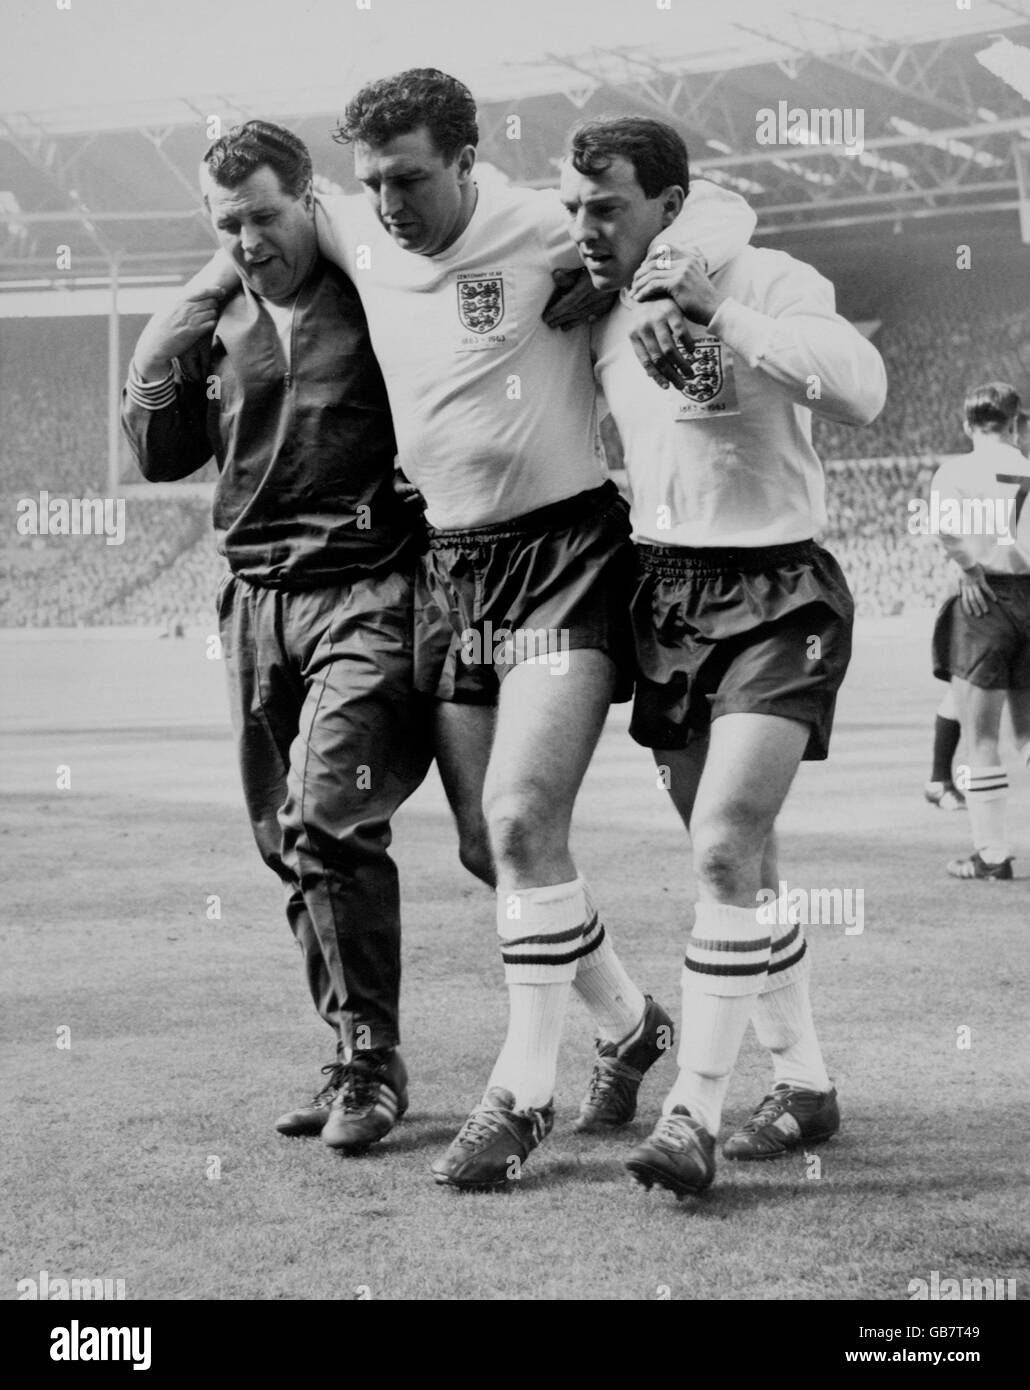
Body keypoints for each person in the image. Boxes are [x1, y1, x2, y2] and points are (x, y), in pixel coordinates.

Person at [193, 71, 759, 1187]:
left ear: (466, 162)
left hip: (565, 552)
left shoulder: (541, 221)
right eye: (373, 183)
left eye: (410, 177)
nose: (391, 202)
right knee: (481, 842)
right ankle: (632, 1022)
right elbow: (259, 231)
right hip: (450, 570)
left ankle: (520, 1092)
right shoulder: (353, 227)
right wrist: (189, 302)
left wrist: (638, 282)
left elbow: (715, 209)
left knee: (517, 811)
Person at [559, 115, 887, 1197]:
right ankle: (804, 1083)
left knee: (719, 848)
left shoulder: (769, 275)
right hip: (664, 594)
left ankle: (691, 1110)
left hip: (777, 589)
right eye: (573, 207)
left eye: (606, 206)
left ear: (670, 200)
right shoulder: (594, 303)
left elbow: (861, 388)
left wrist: (719, 310)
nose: (585, 227)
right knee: (747, 867)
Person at [122, 121, 433, 1155]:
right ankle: (353, 1048)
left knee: (328, 816)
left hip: (369, 592)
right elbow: (160, 453)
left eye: (263, 215)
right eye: (226, 225)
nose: (248, 239)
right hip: (256, 601)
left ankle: (370, 1062)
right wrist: (193, 298)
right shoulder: (216, 327)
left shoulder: (376, 292)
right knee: (282, 841)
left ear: (308, 195)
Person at [930, 383, 1030, 880]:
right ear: (1017, 423)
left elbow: (945, 527)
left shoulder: (956, 471)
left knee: (983, 737)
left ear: (968, 425)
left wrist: (969, 570)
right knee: (1029, 732)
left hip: (986, 598)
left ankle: (991, 855)